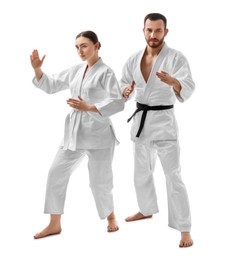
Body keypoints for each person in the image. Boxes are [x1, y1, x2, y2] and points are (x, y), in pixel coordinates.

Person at [30, 30, 124, 239]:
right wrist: (38, 70)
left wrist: (89, 107)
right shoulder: (75, 70)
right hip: (74, 133)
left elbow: (118, 102)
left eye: (84, 46)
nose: (80, 51)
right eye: (77, 47)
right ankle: (54, 223)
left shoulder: (106, 72)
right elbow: (51, 84)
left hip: (98, 133)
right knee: (56, 173)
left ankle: (110, 217)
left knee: (99, 182)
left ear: (97, 46)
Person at [120, 13, 195, 247]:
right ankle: (146, 209)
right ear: (143, 31)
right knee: (141, 173)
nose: (153, 35)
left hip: (164, 123)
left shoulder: (176, 58)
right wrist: (125, 91)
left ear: (166, 32)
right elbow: (123, 83)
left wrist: (174, 82)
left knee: (173, 176)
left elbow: (189, 85)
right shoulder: (133, 59)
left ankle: (185, 229)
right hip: (141, 122)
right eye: (149, 30)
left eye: (158, 30)